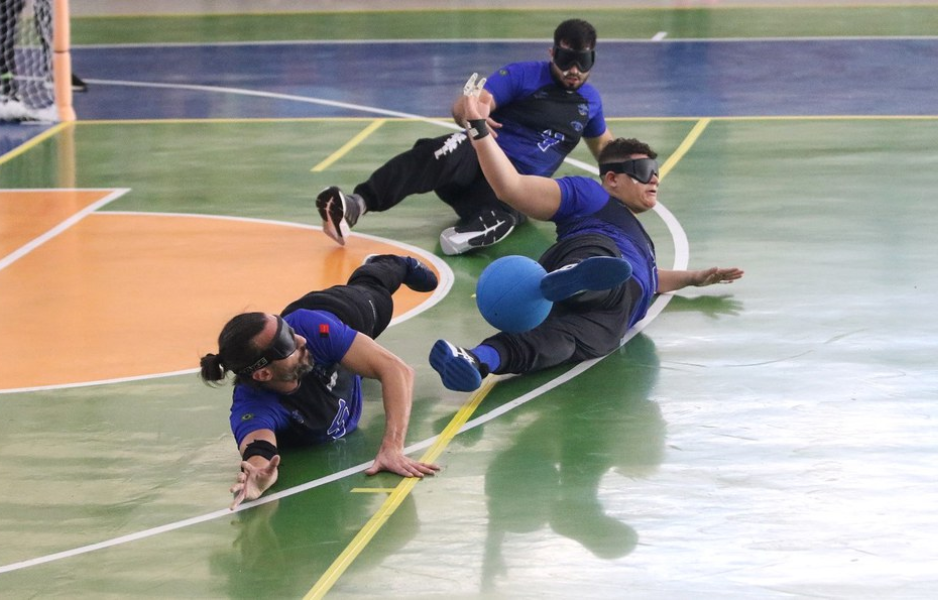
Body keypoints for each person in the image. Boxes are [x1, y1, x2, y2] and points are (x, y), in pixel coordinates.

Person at [429, 81, 744, 392]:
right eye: (644, 170)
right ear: (612, 179)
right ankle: (573, 277)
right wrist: (479, 131)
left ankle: (476, 360)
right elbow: (511, 188)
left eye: (657, 171)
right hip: (588, 255)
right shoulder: (591, 195)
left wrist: (695, 278)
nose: (654, 179)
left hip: (618, 313)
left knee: (560, 343)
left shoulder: (642, 243)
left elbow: (650, 279)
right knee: (602, 259)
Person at [316, 18, 614, 255]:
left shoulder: (591, 102)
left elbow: (605, 149)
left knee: (503, 216)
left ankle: (472, 232)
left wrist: (629, 176)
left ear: (593, 59)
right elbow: (473, 104)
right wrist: (472, 113)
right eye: (565, 60)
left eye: (582, 62)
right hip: (475, 162)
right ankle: (358, 203)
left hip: (513, 188)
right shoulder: (523, 75)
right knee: (450, 145)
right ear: (552, 53)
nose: (573, 70)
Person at [199, 254, 441, 509]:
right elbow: (258, 449)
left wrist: (393, 447)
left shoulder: (311, 330)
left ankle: (387, 263)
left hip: (337, 314)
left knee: (374, 293)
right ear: (262, 374)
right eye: (286, 343)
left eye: (287, 330)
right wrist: (259, 476)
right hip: (333, 369)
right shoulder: (254, 405)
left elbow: (398, 371)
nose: (300, 340)